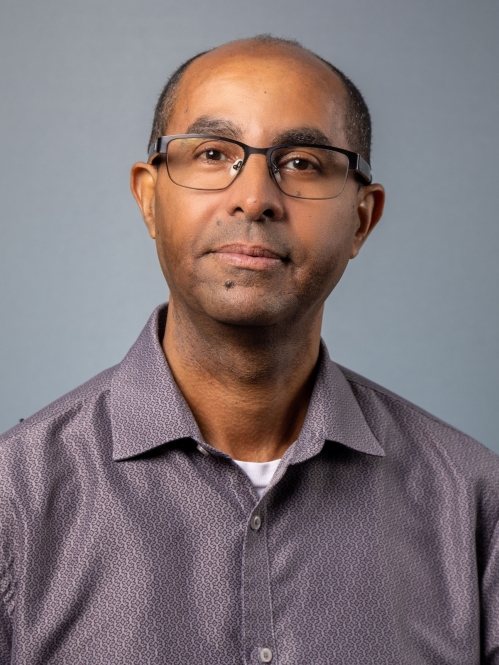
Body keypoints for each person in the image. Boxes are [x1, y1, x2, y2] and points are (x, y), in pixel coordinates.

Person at [0, 34, 498, 665]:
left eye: (302, 163)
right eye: (213, 153)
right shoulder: (14, 499)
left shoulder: (475, 505)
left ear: (362, 220)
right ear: (150, 198)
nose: (255, 197)